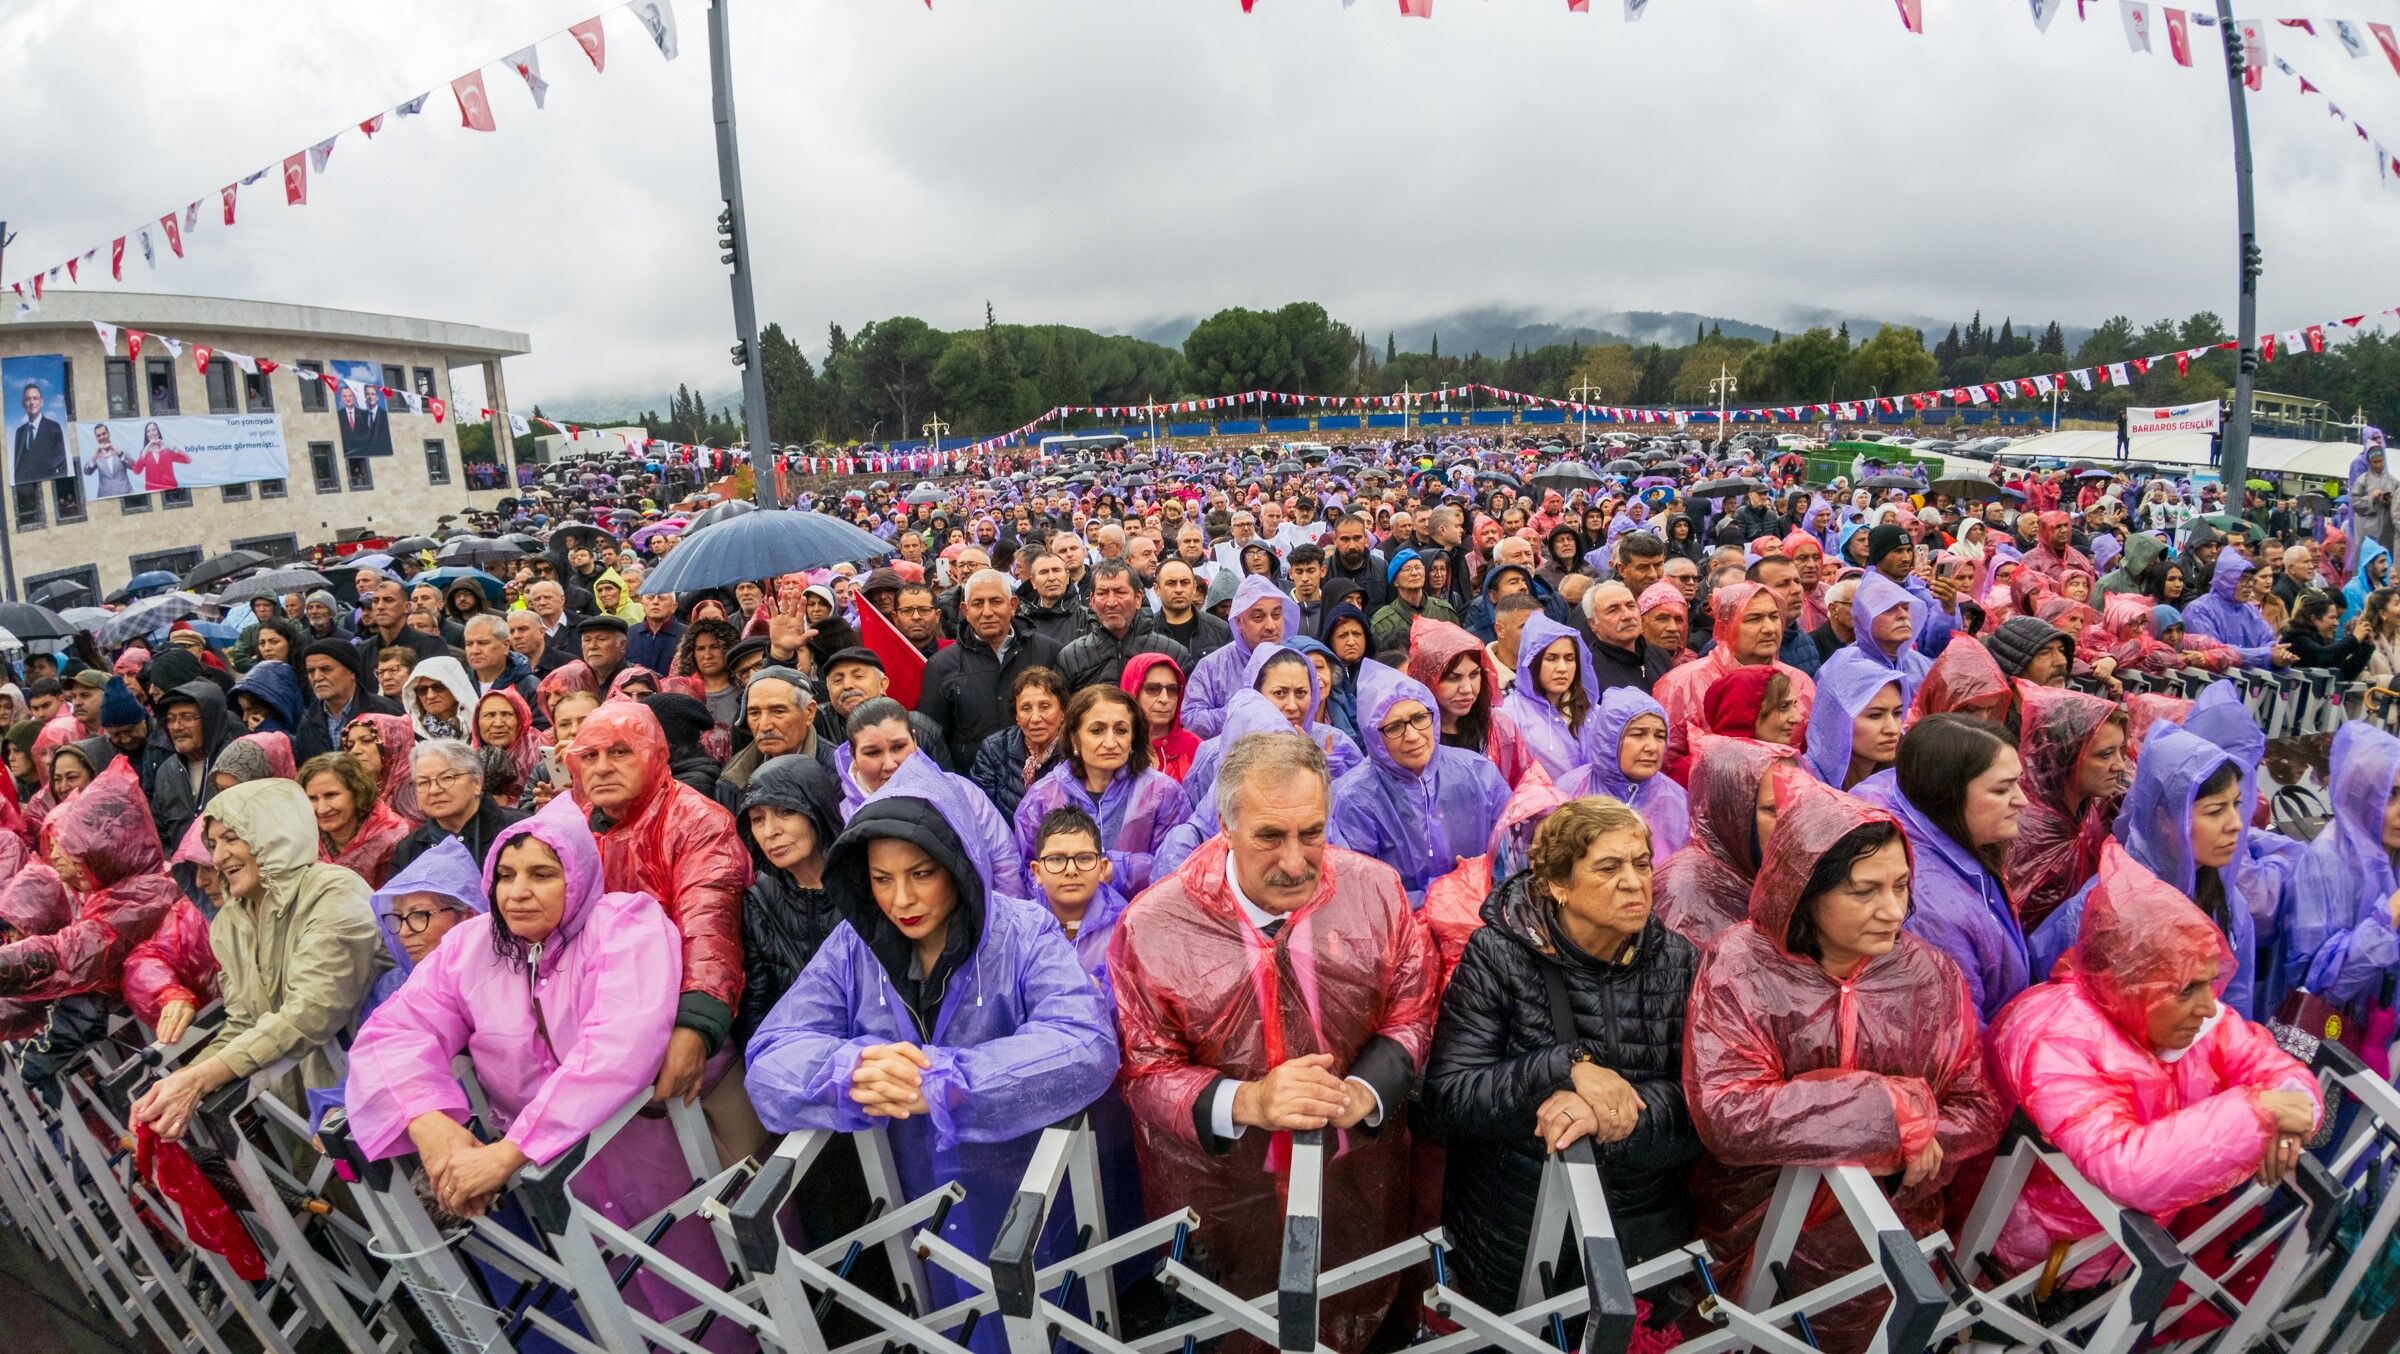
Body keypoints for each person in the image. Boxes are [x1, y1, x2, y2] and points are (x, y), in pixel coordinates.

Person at [745, 795, 1120, 1347]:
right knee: (948, 1311)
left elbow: (1085, 1043)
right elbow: (772, 1054)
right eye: (881, 879)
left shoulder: (1022, 932)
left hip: (1022, 1182)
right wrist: (848, 1070)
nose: (902, 899)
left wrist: (950, 1081)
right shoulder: (856, 945)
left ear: (960, 864)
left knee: (1043, 1312)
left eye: (922, 874)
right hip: (914, 1190)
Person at [1110, 732, 1436, 1353]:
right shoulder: (1155, 926)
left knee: (1358, 1302)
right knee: (1235, 1325)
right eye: (1269, 836)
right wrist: (1249, 1101)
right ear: (1224, 825)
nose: (1295, 861)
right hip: (1224, 1191)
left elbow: (1413, 1007)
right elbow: (1144, 1069)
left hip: (1358, 1176)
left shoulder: (1376, 892)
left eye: (1312, 832)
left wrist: (1366, 1091)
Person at [1684, 770, 2001, 1353]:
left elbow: (1978, 1107)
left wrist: (1916, 1129)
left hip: (1894, 1235)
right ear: (1805, 890)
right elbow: (1728, 1112)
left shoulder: (1928, 973)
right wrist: (1891, 1111)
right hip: (1766, 1228)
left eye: (1901, 886)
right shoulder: (1741, 967)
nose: (1892, 910)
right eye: (1864, 891)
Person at [344, 805, 697, 1275]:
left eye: (542, 874)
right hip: (554, 1178)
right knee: (611, 1290)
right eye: (505, 875)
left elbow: (618, 1047)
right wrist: (430, 1125)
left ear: (577, 875)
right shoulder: (471, 946)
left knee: (691, 1272)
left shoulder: (623, 925)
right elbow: (395, 1032)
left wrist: (509, 1153)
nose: (518, 893)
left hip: (646, 1147)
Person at [1987, 846, 2321, 1285]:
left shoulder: (2178, 1019)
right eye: (2188, 989)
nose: (2209, 1005)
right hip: (2030, 1267)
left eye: (2209, 982)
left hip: (2116, 1255)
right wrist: (2259, 1114)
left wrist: (2288, 1115)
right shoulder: (2055, 1036)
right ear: (2129, 984)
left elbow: (2275, 1069)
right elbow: (2125, 1168)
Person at [1421, 797, 1701, 1317]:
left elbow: (1703, 1105)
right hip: (1515, 1226)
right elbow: (1447, 1098)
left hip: (1639, 1230)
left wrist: (1616, 1114)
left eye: (1642, 863)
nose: (1635, 881)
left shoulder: (1679, 961)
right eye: (1608, 867)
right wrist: (1563, 1068)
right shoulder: (1499, 954)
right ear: (1557, 885)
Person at [130, 778, 384, 1137]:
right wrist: (179, 1085)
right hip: (303, 1104)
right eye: (213, 844)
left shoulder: (335, 892)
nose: (218, 858)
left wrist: (201, 1079)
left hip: (372, 1089)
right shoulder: (231, 922)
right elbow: (243, 1020)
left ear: (274, 834)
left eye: (232, 838)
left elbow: (312, 1012)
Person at [562, 701, 751, 1106]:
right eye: (589, 756)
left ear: (655, 755)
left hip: (678, 1014)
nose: (602, 767)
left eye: (620, 752)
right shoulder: (566, 825)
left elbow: (709, 924)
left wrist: (695, 1026)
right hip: (595, 1027)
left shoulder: (697, 821)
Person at [1855, 714, 2031, 1023]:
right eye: (2002, 790)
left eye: (2018, 783)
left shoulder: (1908, 795)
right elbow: (1962, 1036)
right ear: (1947, 795)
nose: (2023, 800)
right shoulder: (1932, 913)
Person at [1329, 661, 1511, 906]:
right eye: (1394, 727)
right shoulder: (1354, 799)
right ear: (1373, 735)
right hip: (1402, 930)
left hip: (1479, 912)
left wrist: (1481, 876)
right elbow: (1359, 889)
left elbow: (1510, 849)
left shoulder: (1477, 773)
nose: (1413, 736)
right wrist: (1438, 895)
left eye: (1419, 718)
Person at [2274, 719, 2400, 1023]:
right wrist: (2388, 917)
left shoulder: (2393, 851)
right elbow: (2315, 990)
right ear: (2360, 794)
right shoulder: (2324, 864)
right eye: (2391, 795)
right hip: (2333, 1041)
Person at [1011, 685, 1183, 898]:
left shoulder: (1163, 793)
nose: (1110, 742)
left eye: (1121, 730)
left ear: (1133, 738)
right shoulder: (1042, 796)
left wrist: (1119, 870)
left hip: (1140, 919)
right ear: (1075, 739)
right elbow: (1027, 872)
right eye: (1097, 730)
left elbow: (1177, 864)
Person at [1652, 580, 1815, 784]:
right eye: (1753, 619)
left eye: (1774, 617)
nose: (1769, 628)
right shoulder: (1681, 683)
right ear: (1725, 625)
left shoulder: (1800, 682)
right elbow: (1664, 765)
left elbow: (1812, 758)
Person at [733, 754, 845, 1048]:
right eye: (758, 819)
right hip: (793, 1053)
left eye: (785, 812)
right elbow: (757, 1003)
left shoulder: (867, 888)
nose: (770, 832)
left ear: (817, 811)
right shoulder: (759, 900)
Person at [2003, 685, 2128, 931]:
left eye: (2120, 751)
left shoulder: (2086, 809)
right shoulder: (2026, 832)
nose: (2120, 766)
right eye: (2105, 755)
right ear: (2066, 756)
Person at [920, 569, 1067, 772]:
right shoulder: (942, 665)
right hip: (973, 785)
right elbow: (933, 739)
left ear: (1013, 605)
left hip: (1045, 780)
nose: (987, 612)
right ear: (965, 610)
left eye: (996, 601)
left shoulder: (1048, 651)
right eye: (978, 603)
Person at [1651, 734, 1791, 946]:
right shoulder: (1684, 893)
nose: (1789, 820)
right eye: (1773, 809)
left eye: (1793, 804)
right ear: (1732, 813)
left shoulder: (1773, 871)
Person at [358, 836, 487, 1021]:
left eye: (419, 915)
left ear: (467, 916)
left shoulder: (501, 984)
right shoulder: (391, 989)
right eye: (397, 917)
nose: (403, 932)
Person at [1557, 687, 1690, 857]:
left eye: (1660, 736)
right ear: (1610, 738)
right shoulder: (1568, 792)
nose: (1651, 747)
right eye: (1638, 734)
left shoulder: (1678, 801)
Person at [1405, 616, 1536, 787]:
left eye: (1474, 675)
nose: (1467, 689)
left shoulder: (1498, 727)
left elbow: (1527, 784)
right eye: (1453, 678)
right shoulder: (1409, 736)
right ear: (1427, 680)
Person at [389, 739, 527, 875]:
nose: (434, 790)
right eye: (423, 782)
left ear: (477, 782)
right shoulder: (409, 849)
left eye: (447, 778)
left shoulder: (520, 829)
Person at [1497, 615, 1600, 782]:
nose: (1562, 668)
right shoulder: (1509, 714)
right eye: (1551, 658)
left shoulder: (1593, 711)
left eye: (1569, 658)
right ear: (1532, 662)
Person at [968, 665, 1069, 823]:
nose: (1035, 718)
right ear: (1016, 716)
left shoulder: (1076, 751)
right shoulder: (994, 749)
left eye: (1045, 707)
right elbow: (980, 814)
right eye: (1025, 708)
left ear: (1062, 712)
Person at [301, 751, 409, 889]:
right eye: (312, 798)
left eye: (331, 795)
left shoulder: (395, 841)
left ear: (358, 792)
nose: (322, 809)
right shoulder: (304, 843)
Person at [1802, 661, 1904, 792]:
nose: (1893, 729)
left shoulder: (1903, 780)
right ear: (1838, 719)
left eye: (1897, 713)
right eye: (1875, 715)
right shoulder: (1805, 784)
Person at [1122, 653, 1199, 782]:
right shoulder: (1114, 745)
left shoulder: (1194, 748)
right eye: (1152, 689)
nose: (1164, 699)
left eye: (1172, 689)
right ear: (1132, 691)